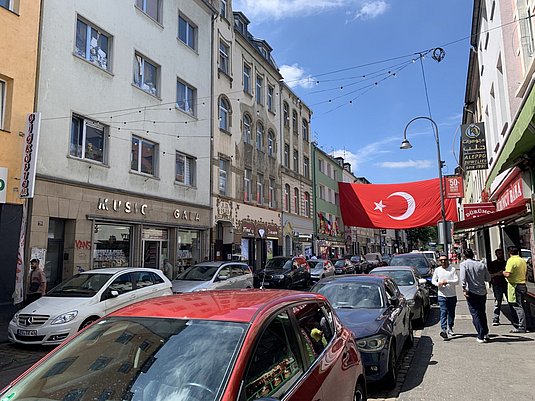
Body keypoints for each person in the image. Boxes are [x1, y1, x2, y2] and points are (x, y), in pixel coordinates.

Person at [460, 248, 491, 343]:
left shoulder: (463, 265)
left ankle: (481, 335)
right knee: (482, 312)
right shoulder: (481, 264)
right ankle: (485, 333)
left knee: (475, 313)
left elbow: (463, 279)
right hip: (482, 292)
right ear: (473, 255)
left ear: (464, 256)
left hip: (471, 292)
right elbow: (488, 278)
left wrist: (464, 289)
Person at [432, 255, 459, 340]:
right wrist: (438, 283)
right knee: (443, 312)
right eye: (441, 260)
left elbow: (457, 281)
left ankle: (450, 327)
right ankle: (443, 330)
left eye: (444, 260)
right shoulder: (437, 270)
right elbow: (433, 281)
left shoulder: (452, 269)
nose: (443, 262)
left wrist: (448, 281)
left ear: (448, 260)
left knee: (451, 313)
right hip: (441, 295)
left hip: (452, 295)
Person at [503, 246, 528, 333]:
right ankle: (527, 324)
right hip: (523, 284)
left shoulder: (511, 260)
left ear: (509, 253)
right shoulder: (522, 260)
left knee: (517, 307)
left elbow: (508, 274)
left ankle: (521, 326)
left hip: (515, 285)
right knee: (524, 306)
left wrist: (503, 272)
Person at [487, 249, 508, 326]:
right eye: (499, 253)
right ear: (496, 255)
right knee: (497, 302)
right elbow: (489, 275)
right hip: (497, 284)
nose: (501, 255)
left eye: (502, 253)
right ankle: (496, 318)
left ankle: (515, 318)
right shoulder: (492, 264)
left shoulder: (506, 263)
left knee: (510, 301)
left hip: (506, 284)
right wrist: (497, 274)